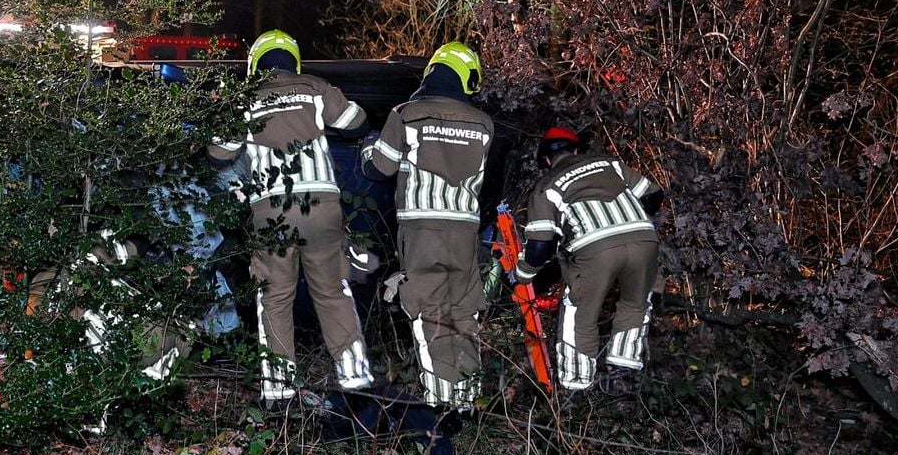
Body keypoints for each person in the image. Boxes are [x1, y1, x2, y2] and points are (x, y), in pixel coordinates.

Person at [208, 29, 375, 409]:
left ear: (255, 63)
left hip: (271, 212)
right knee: (334, 293)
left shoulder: (244, 98)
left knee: (274, 298)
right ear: (293, 60)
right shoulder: (316, 87)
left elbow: (219, 154)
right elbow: (357, 123)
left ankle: (280, 392)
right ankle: (355, 381)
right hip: (322, 209)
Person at [360, 42, 494, 410]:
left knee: (429, 312)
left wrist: (370, 144)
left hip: (422, 231)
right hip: (465, 233)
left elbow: (378, 168)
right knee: (463, 314)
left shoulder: (406, 114)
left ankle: (441, 405)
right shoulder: (484, 124)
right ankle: (467, 403)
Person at [513, 127, 664, 395]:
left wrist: (522, 275)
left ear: (546, 160)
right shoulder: (610, 163)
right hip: (644, 241)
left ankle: (575, 387)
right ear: (576, 150)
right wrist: (631, 225)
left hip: (594, 249)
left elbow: (539, 246)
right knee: (635, 303)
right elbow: (653, 194)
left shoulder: (545, 187)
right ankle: (622, 376)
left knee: (580, 313)